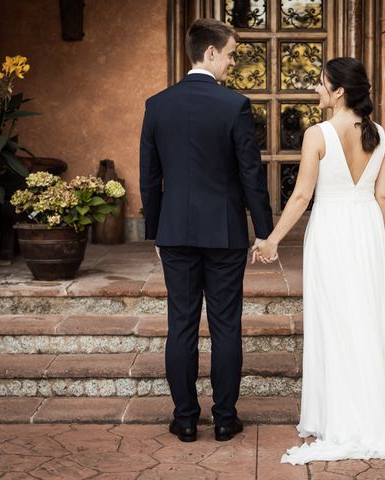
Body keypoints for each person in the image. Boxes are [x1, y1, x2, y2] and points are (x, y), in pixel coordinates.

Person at [253, 57, 385, 464]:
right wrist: (374, 242)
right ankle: (373, 411)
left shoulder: (318, 134)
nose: (316, 89)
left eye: (320, 83)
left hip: (330, 231)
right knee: (367, 319)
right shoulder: (379, 134)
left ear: (339, 91)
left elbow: (301, 197)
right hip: (367, 231)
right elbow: (382, 197)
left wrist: (273, 239)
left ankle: (341, 416)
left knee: (334, 320)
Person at [139, 18, 273, 443]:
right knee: (225, 325)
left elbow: (149, 177)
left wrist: (155, 232)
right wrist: (264, 231)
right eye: (232, 53)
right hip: (225, 233)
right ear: (210, 53)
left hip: (175, 232)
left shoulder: (157, 105)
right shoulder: (234, 105)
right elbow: (251, 174)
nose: (233, 62)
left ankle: (183, 419)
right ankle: (224, 418)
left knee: (180, 324)